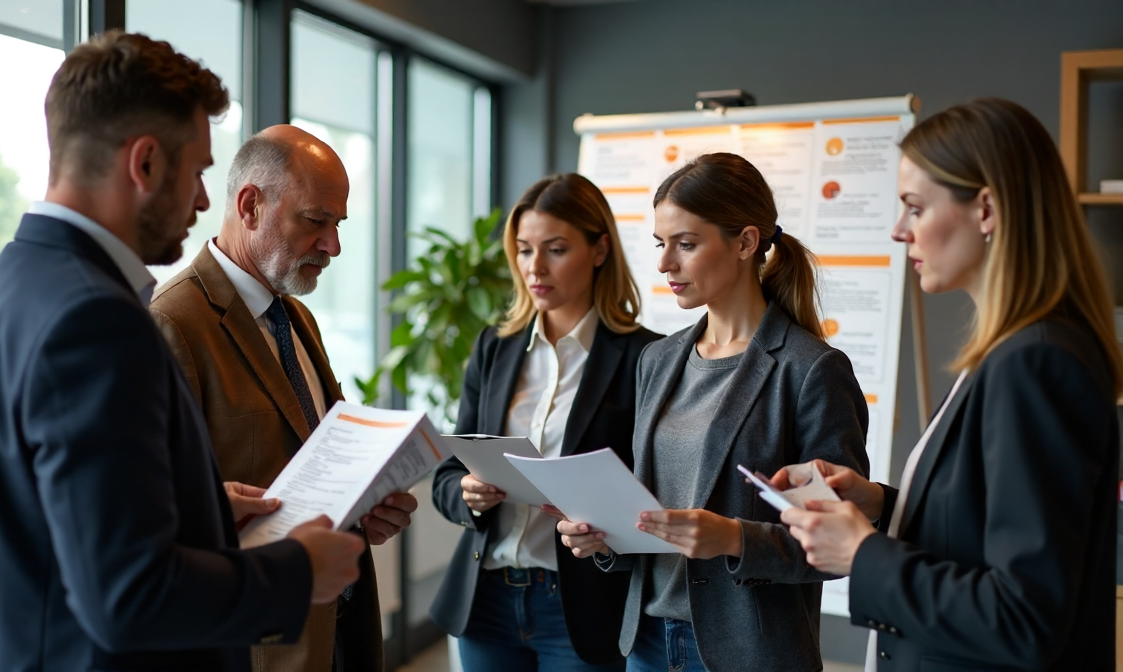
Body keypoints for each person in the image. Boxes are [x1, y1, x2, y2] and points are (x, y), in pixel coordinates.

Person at [0, 32, 366, 672]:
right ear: (144, 164)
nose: (203, 200)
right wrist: (298, 569)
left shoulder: (1, 287)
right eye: (197, 171)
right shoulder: (96, 320)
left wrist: (199, 512)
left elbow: (47, 527)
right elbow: (127, 595)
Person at [778, 98, 1122, 671]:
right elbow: (987, 530)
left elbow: (1025, 614)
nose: (898, 231)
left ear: (986, 208)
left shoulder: (1033, 363)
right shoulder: (1011, 352)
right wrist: (885, 506)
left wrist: (863, 554)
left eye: (915, 207)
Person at [559, 153, 870, 672]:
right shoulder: (657, 360)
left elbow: (839, 541)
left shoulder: (811, 370)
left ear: (746, 243)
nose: (664, 264)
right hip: (649, 642)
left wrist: (733, 537)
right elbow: (652, 510)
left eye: (686, 244)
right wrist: (604, 537)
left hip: (750, 651)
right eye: (662, 245)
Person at [149, 126, 417, 672]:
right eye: (315, 221)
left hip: (340, 632)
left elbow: (308, 462)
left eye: (338, 225)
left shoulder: (296, 316)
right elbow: (156, 521)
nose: (333, 245)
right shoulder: (171, 322)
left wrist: (364, 512)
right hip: (257, 647)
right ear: (249, 205)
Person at [430, 173, 662, 671]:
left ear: (599, 250)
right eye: (523, 249)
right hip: (486, 598)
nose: (535, 267)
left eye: (555, 249)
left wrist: (605, 522)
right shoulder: (495, 347)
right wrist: (468, 494)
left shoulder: (647, 357)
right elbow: (447, 474)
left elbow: (656, 494)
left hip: (581, 605)